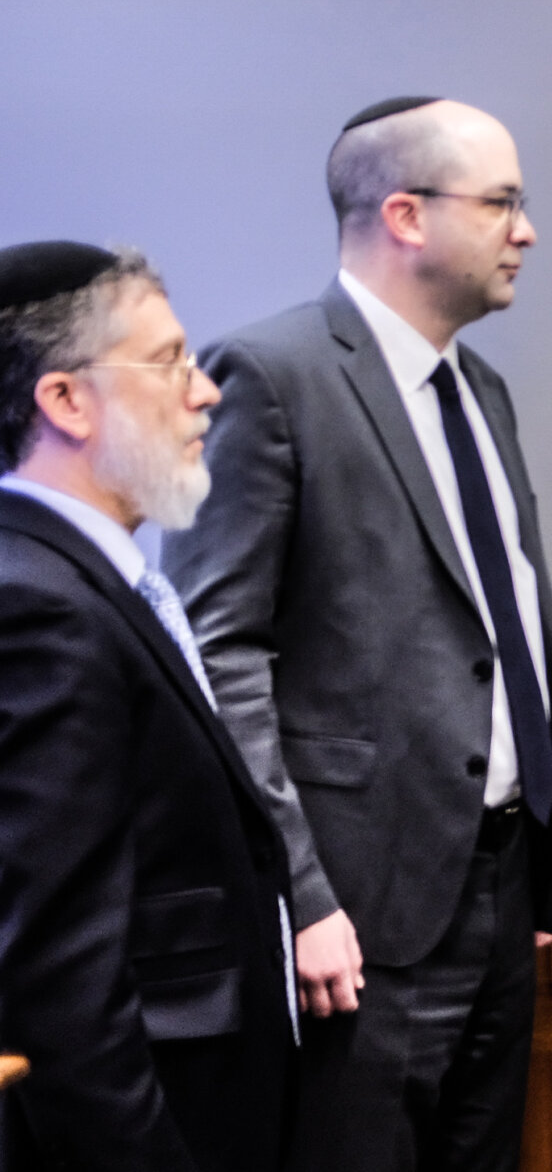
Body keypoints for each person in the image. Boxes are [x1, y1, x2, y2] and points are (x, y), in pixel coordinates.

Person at [163, 97, 552, 1168]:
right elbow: (220, 656)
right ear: (405, 214)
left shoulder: (481, 390)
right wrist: (299, 897)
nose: (525, 231)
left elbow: (505, 622)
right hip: (357, 916)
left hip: (500, 891)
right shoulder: (272, 376)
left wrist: (547, 859)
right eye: (503, 203)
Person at [0, 241, 293, 1171]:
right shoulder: (38, 606)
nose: (204, 391)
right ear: (66, 401)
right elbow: (59, 976)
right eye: (168, 361)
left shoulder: (91, 583)